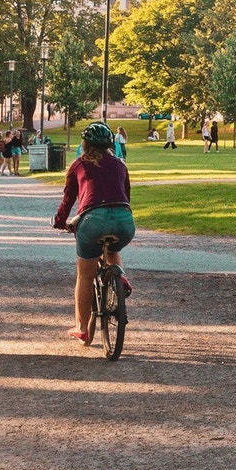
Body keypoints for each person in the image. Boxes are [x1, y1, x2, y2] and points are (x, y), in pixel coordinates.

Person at [52, 121, 135, 345]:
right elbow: (125, 196)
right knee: (114, 247)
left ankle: (82, 329)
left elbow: (68, 198)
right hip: (124, 221)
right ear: (110, 144)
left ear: (85, 144)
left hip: (92, 221)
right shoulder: (120, 165)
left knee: (85, 275)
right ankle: (120, 277)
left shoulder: (79, 165)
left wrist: (60, 222)